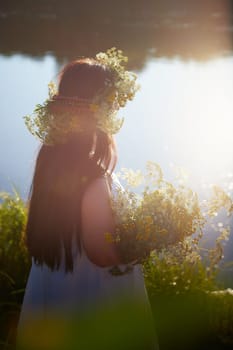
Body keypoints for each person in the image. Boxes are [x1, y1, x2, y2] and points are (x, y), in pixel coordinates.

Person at [17, 48, 159, 350]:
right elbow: (101, 253)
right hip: (91, 299)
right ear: (100, 113)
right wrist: (148, 243)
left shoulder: (52, 165)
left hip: (58, 288)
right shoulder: (92, 181)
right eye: (111, 106)